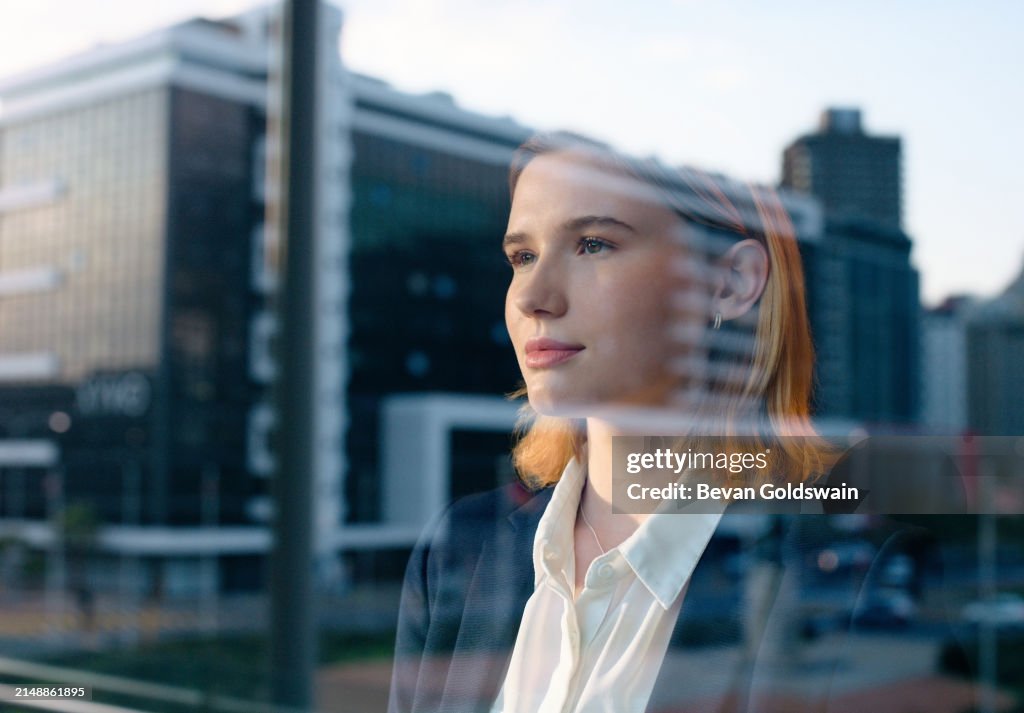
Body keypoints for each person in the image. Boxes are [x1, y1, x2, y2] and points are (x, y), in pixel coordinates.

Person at [388, 134, 949, 713]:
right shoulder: (457, 552)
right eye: (522, 257)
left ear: (730, 283)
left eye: (593, 245)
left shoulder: (840, 579)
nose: (532, 296)